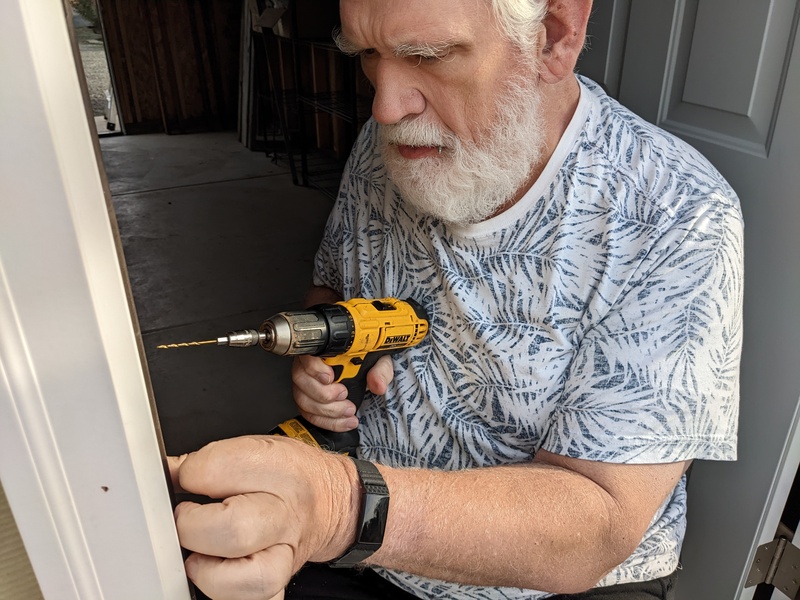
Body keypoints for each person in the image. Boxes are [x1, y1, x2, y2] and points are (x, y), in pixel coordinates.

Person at [168, 0, 744, 598]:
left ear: (553, 36)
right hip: (366, 528)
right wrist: (321, 350)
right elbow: (335, 285)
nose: (386, 107)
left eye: (428, 55)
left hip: (551, 580)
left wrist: (337, 508)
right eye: (369, 53)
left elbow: (597, 521)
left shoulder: (677, 214)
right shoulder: (386, 142)